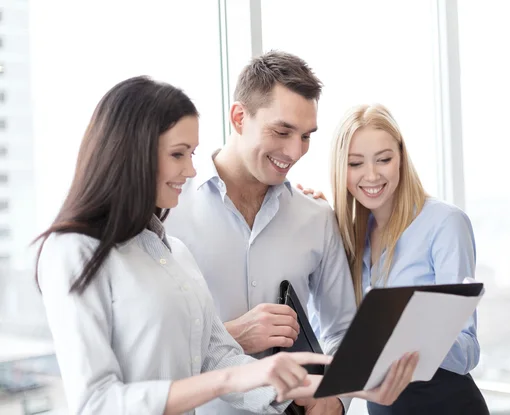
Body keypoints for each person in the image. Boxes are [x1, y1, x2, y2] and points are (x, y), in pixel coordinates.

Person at [33, 76, 343, 415]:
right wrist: (225, 382)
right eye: (178, 154)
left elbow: (216, 357)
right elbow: (96, 402)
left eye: (192, 153)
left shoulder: (174, 252)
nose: (191, 169)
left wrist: (307, 390)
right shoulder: (73, 251)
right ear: (133, 151)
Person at [165, 51, 419, 415]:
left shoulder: (315, 217)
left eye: (305, 136)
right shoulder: (169, 212)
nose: (295, 150)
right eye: (282, 131)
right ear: (239, 117)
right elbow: (149, 344)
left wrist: (336, 399)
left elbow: (343, 329)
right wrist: (234, 334)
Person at [327, 103, 490, 414]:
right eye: (356, 163)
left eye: (384, 159)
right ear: (341, 169)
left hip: (447, 405)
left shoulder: (444, 223)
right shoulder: (349, 235)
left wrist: (414, 335)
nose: (371, 175)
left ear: (401, 157)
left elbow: (468, 351)